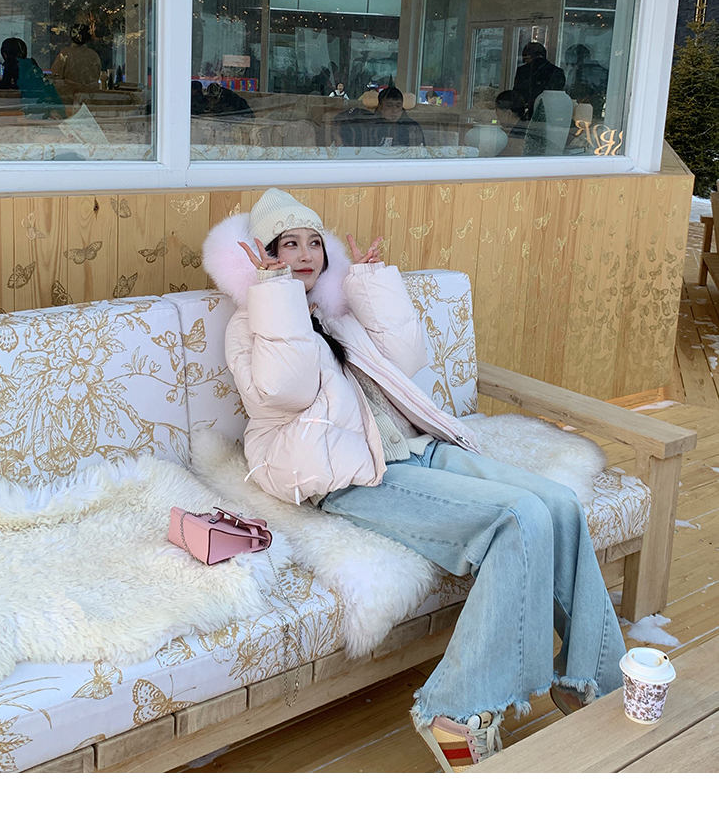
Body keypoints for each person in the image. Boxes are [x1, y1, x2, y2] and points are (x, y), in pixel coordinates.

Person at [202, 188, 626, 771]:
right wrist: (275, 296)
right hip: (348, 478)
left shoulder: (334, 316)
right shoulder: (252, 323)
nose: (303, 254)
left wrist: (371, 283)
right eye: (287, 244)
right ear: (262, 255)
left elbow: (407, 361)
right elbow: (288, 391)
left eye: (314, 243)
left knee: (556, 501)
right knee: (517, 518)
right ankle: (457, 711)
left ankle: (592, 680)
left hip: (412, 449)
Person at [0, 37, 66, 119]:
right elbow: (30, 81)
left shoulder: (12, 64)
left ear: (5, 54)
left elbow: (5, 85)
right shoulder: (31, 62)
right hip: (52, 99)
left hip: (35, 103)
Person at [512, 42, 566, 119]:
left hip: (529, 113)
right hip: (552, 113)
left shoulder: (522, 71)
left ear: (528, 56)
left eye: (525, 59)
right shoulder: (558, 72)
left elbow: (517, 96)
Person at [51, 24, 102, 96]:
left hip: (69, 96)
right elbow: (97, 76)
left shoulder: (65, 54)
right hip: (89, 97)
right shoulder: (94, 55)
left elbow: (55, 75)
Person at [494, 90, 527, 156]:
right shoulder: (521, 127)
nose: (498, 119)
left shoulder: (518, 135)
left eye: (498, 115)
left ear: (508, 113)